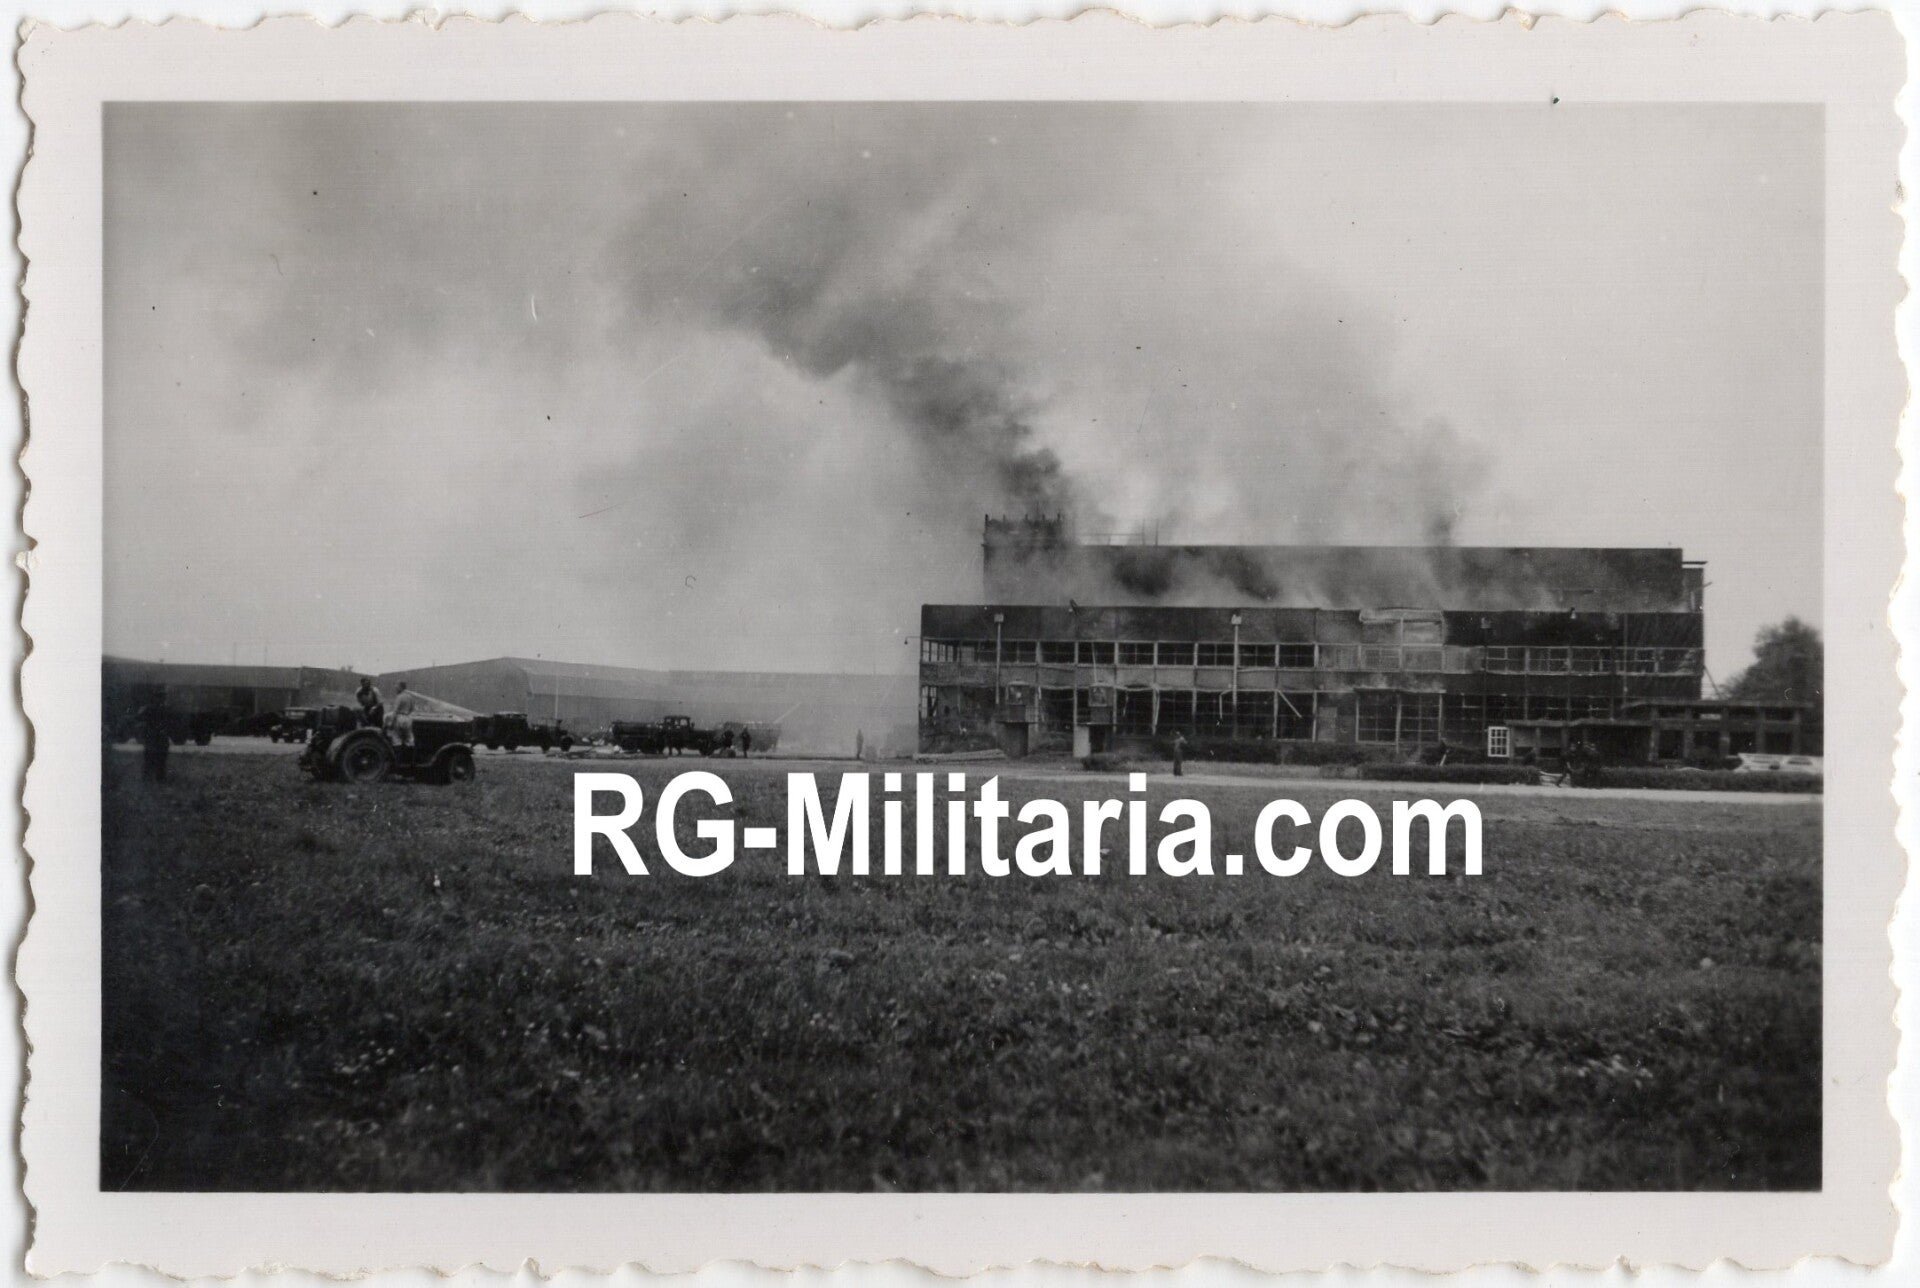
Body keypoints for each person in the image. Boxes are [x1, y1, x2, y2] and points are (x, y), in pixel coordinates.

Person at [138, 699, 171, 782]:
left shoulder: (147, 709)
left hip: (152, 738)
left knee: (150, 760)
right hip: (160, 738)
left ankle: (149, 779)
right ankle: (159, 779)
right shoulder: (166, 709)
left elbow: (139, 718)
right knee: (160, 761)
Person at [387, 681, 418, 748]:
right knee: (409, 740)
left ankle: (398, 757)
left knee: (397, 739)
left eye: (397, 687)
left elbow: (395, 711)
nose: (396, 688)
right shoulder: (410, 697)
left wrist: (391, 723)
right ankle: (408, 757)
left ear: (401, 687)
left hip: (399, 718)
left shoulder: (399, 697)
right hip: (408, 718)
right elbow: (412, 708)